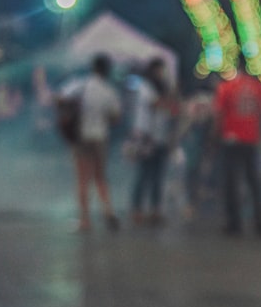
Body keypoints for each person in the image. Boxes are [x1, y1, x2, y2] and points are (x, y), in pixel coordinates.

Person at [59, 53, 122, 232]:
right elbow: (116, 117)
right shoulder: (108, 90)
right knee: (100, 176)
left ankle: (85, 220)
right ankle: (108, 211)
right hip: (101, 136)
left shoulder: (80, 85)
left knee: (82, 179)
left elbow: (60, 98)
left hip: (82, 136)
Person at [213, 60, 261, 236]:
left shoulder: (226, 87)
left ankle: (234, 223)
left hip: (231, 138)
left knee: (231, 182)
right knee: (253, 181)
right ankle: (260, 221)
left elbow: (219, 114)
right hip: (251, 138)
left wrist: (215, 136)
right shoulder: (258, 88)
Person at [128, 57, 179, 226]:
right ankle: (137, 209)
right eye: (159, 70)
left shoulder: (162, 88)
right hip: (146, 137)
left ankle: (156, 209)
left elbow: (171, 109)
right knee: (144, 175)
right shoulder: (144, 87)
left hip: (161, 137)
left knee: (158, 176)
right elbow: (155, 104)